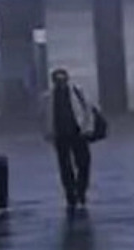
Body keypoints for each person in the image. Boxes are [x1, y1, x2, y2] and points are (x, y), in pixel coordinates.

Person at [42, 68, 94, 212]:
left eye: (63, 80)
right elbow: (45, 116)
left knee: (84, 163)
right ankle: (71, 195)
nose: (61, 83)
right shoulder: (48, 97)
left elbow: (88, 109)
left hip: (78, 132)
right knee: (65, 167)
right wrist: (48, 133)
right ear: (54, 82)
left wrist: (87, 128)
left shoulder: (77, 91)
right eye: (58, 80)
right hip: (60, 135)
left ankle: (81, 190)